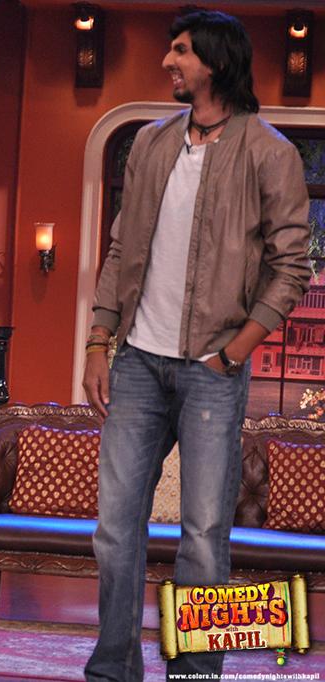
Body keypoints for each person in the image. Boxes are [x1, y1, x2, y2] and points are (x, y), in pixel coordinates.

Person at [82, 11, 311, 681]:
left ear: (215, 61)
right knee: (115, 530)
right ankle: (113, 670)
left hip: (213, 370)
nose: (167, 62)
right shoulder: (150, 143)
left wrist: (234, 352)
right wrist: (99, 340)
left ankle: (195, 673)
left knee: (204, 537)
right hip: (137, 364)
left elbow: (291, 267)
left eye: (180, 51)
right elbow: (121, 248)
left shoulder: (269, 152)